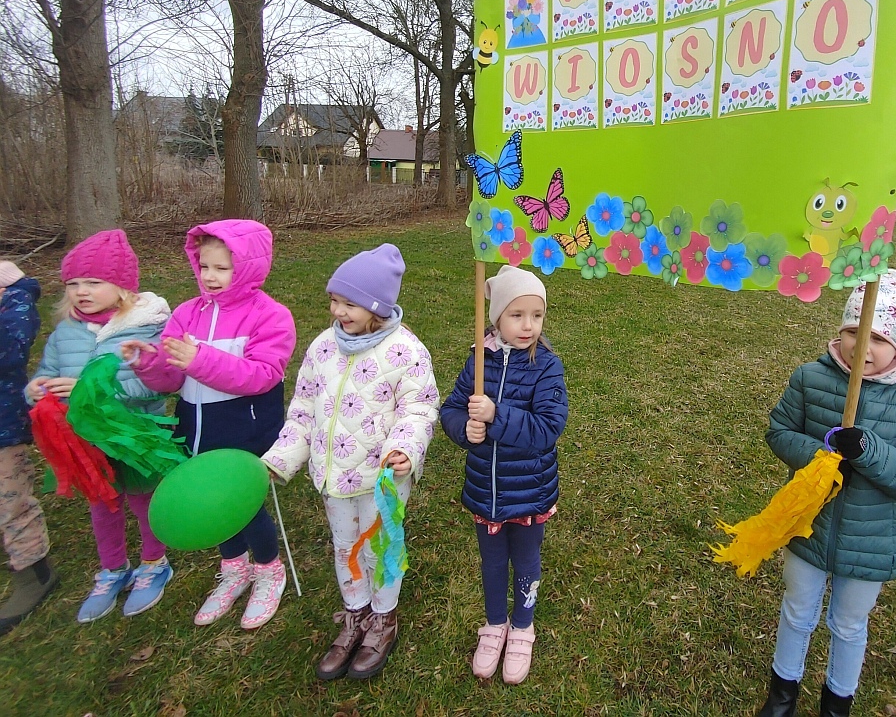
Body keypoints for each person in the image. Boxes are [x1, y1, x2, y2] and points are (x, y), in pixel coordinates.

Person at [756, 269, 896, 717]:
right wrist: (820, 455)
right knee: (797, 611)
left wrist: (869, 451)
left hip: (870, 541)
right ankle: (781, 697)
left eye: (877, 338)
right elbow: (779, 432)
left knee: (848, 624)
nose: (862, 347)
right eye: (853, 332)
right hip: (808, 524)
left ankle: (836, 704)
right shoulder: (810, 378)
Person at [261, 244, 439, 680]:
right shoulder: (324, 347)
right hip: (334, 477)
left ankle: (383, 617)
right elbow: (304, 408)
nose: (337, 311)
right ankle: (355, 612)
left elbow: (418, 407)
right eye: (334, 300)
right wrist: (282, 457)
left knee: (380, 547)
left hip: (382, 479)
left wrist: (405, 448)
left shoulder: (406, 351)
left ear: (376, 307)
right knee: (345, 546)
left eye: (349, 303)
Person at [124, 220, 296, 630]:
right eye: (204, 266)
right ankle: (234, 568)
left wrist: (199, 360)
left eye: (223, 268)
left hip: (244, 429)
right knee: (212, 501)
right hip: (195, 428)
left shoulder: (270, 316)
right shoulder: (186, 314)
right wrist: (149, 363)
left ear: (248, 267)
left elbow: (263, 375)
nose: (210, 276)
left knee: (242, 503)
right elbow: (171, 378)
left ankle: (269, 569)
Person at [25, 231, 175, 623]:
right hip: (88, 440)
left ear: (122, 286)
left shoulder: (147, 328)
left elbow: (154, 385)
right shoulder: (65, 332)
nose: (81, 292)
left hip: (135, 437)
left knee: (143, 501)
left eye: (93, 282)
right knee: (103, 502)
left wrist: (90, 390)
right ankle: (112, 569)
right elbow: (47, 372)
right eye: (72, 284)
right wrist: (36, 389)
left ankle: (154, 563)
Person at [441, 265, 567, 685]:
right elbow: (451, 408)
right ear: (496, 317)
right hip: (486, 489)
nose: (528, 325)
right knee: (492, 561)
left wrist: (496, 417)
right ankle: (495, 624)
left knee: (526, 560)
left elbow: (548, 429)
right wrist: (465, 428)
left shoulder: (547, 366)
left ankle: (522, 627)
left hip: (529, 490)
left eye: (537, 315)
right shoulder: (479, 359)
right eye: (517, 315)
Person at [0, 261, 58, 633]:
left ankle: (33, 570)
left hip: (3, 425)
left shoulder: (16, 303)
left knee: (10, 498)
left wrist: (13, 293)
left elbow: (10, 352)